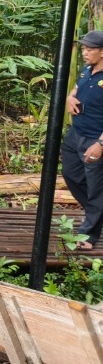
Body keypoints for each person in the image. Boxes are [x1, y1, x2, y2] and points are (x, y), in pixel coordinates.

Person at [63, 30, 103, 251]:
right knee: (71, 175)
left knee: (96, 187)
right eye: (84, 49)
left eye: (90, 50)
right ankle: (97, 211)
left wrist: (101, 144)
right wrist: (70, 96)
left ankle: (89, 234)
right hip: (75, 134)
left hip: (95, 139)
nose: (85, 53)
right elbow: (77, 88)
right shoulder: (87, 70)